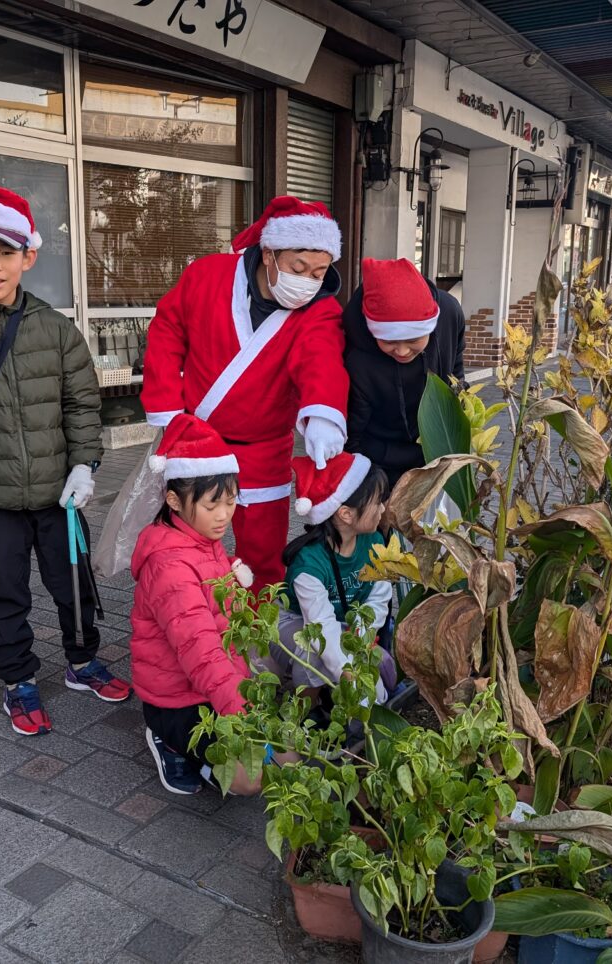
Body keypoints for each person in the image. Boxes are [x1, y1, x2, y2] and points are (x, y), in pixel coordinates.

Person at [0, 185, 131, 738]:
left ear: (28, 258)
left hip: (57, 493)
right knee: (3, 591)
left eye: (6, 253)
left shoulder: (55, 328)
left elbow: (82, 402)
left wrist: (85, 464)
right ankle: (17, 680)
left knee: (73, 581)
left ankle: (83, 662)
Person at [141, 196, 350, 589]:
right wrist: (167, 410)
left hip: (266, 447)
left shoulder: (320, 311)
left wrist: (323, 413)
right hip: (199, 442)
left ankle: (258, 636)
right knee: (190, 546)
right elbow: (167, 331)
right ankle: (195, 618)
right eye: (298, 268)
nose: (308, 282)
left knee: (263, 556)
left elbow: (321, 361)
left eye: (319, 272)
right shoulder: (207, 275)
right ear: (269, 253)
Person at [130, 414, 271, 796]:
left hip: (210, 685)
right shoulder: (170, 566)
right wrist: (242, 715)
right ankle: (166, 738)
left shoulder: (201, 539)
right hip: (177, 697)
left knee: (285, 755)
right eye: (213, 505)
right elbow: (201, 651)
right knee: (251, 779)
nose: (225, 515)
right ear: (174, 500)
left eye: (230, 501)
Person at [278, 453, 396, 705]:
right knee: (314, 655)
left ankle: (345, 722)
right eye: (377, 503)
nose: (383, 509)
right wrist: (347, 671)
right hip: (298, 622)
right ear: (345, 514)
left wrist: (362, 640)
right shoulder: (309, 565)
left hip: (345, 625)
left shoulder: (374, 542)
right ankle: (301, 717)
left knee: (381, 676)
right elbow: (322, 627)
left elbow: (379, 600)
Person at [344, 258, 466, 491]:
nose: (401, 351)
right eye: (388, 341)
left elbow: (456, 364)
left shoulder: (449, 313)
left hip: (438, 452)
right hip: (379, 459)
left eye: (412, 340)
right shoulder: (358, 356)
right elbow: (352, 434)